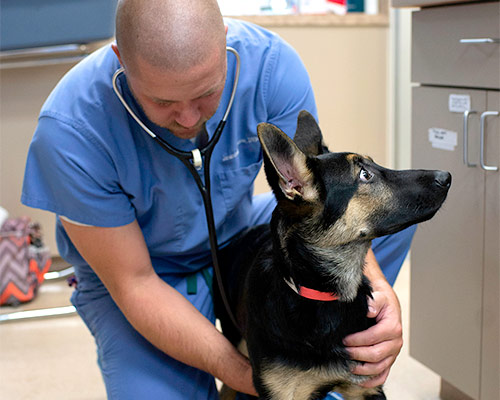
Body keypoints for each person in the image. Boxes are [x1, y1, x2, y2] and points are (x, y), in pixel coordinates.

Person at [21, 0, 415, 398]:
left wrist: (380, 293)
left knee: (383, 219)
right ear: (120, 59)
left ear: (225, 41)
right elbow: (135, 284)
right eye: (162, 102)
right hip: (144, 271)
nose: (189, 119)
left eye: (207, 92)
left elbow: (323, 202)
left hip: (239, 233)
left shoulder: (272, 67)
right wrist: (264, 378)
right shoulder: (71, 131)